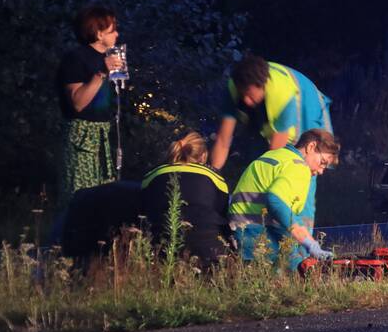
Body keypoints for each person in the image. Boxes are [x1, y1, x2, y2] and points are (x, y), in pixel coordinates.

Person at [210, 54, 333, 235]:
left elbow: (276, 155)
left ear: (263, 87)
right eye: (243, 94)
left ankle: (302, 246)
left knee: (302, 169)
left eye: (251, 96)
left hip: (308, 108)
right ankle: (261, 235)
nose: (246, 101)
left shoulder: (282, 94)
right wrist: (212, 178)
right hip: (271, 120)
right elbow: (223, 139)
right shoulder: (235, 86)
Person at [229, 128, 339, 269]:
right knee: (293, 271)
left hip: (241, 230)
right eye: (322, 162)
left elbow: (290, 215)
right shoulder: (298, 166)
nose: (321, 170)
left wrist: (312, 244)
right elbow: (276, 202)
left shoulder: (276, 155)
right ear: (311, 147)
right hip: (258, 232)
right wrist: (307, 243)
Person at [55, 5, 123, 210]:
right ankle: (66, 238)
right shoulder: (76, 59)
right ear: (99, 33)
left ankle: (99, 239)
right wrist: (102, 73)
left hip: (104, 134)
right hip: (82, 136)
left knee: (105, 197)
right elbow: (77, 101)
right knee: (79, 196)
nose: (117, 34)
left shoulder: (109, 58)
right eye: (112, 30)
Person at [139, 132, 230, 269]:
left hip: (161, 247)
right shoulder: (214, 177)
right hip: (208, 250)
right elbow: (223, 212)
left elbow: (143, 211)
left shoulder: (152, 176)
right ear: (203, 155)